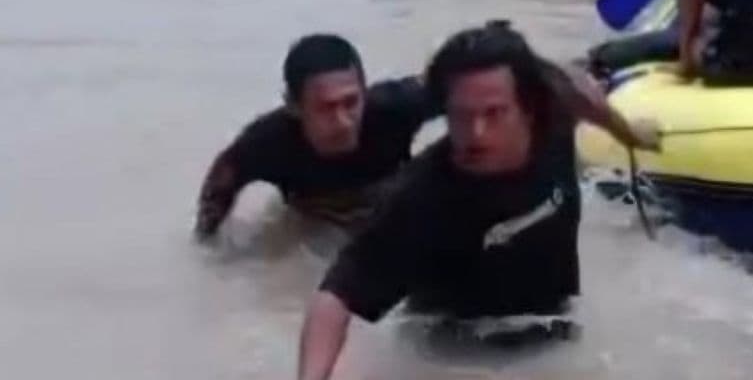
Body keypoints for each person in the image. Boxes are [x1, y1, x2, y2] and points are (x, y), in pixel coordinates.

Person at [296, 22, 660, 380]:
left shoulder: (554, 115)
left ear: (529, 108)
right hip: (457, 353)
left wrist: (628, 134)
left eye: (494, 113)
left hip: (557, 328)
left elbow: (577, 87)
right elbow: (335, 298)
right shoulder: (421, 197)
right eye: (460, 116)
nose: (476, 133)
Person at [194, 34, 437, 239]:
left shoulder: (395, 108)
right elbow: (218, 189)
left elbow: (451, 83)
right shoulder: (267, 143)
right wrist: (208, 246)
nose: (343, 122)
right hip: (317, 226)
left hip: (392, 211)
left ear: (364, 93)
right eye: (325, 108)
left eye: (351, 102)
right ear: (293, 106)